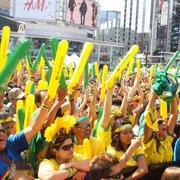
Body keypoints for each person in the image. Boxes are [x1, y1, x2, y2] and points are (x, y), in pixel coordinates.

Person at [97, 85, 148, 179]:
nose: (129, 135)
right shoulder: (107, 139)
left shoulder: (132, 141)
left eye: (130, 132)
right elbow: (106, 113)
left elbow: (143, 169)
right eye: (125, 133)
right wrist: (110, 90)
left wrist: (126, 95)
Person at [0, 95, 53, 179]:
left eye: (3, 131)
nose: (2, 134)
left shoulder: (11, 143)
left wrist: (45, 105)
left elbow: (34, 128)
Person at [143, 91, 178, 165]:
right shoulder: (149, 142)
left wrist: (172, 94)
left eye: (164, 122)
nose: (165, 123)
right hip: (152, 176)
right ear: (153, 128)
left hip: (167, 175)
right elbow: (149, 115)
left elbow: (174, 114)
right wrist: (153, 94)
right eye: (160, 123)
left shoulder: (168, 139)